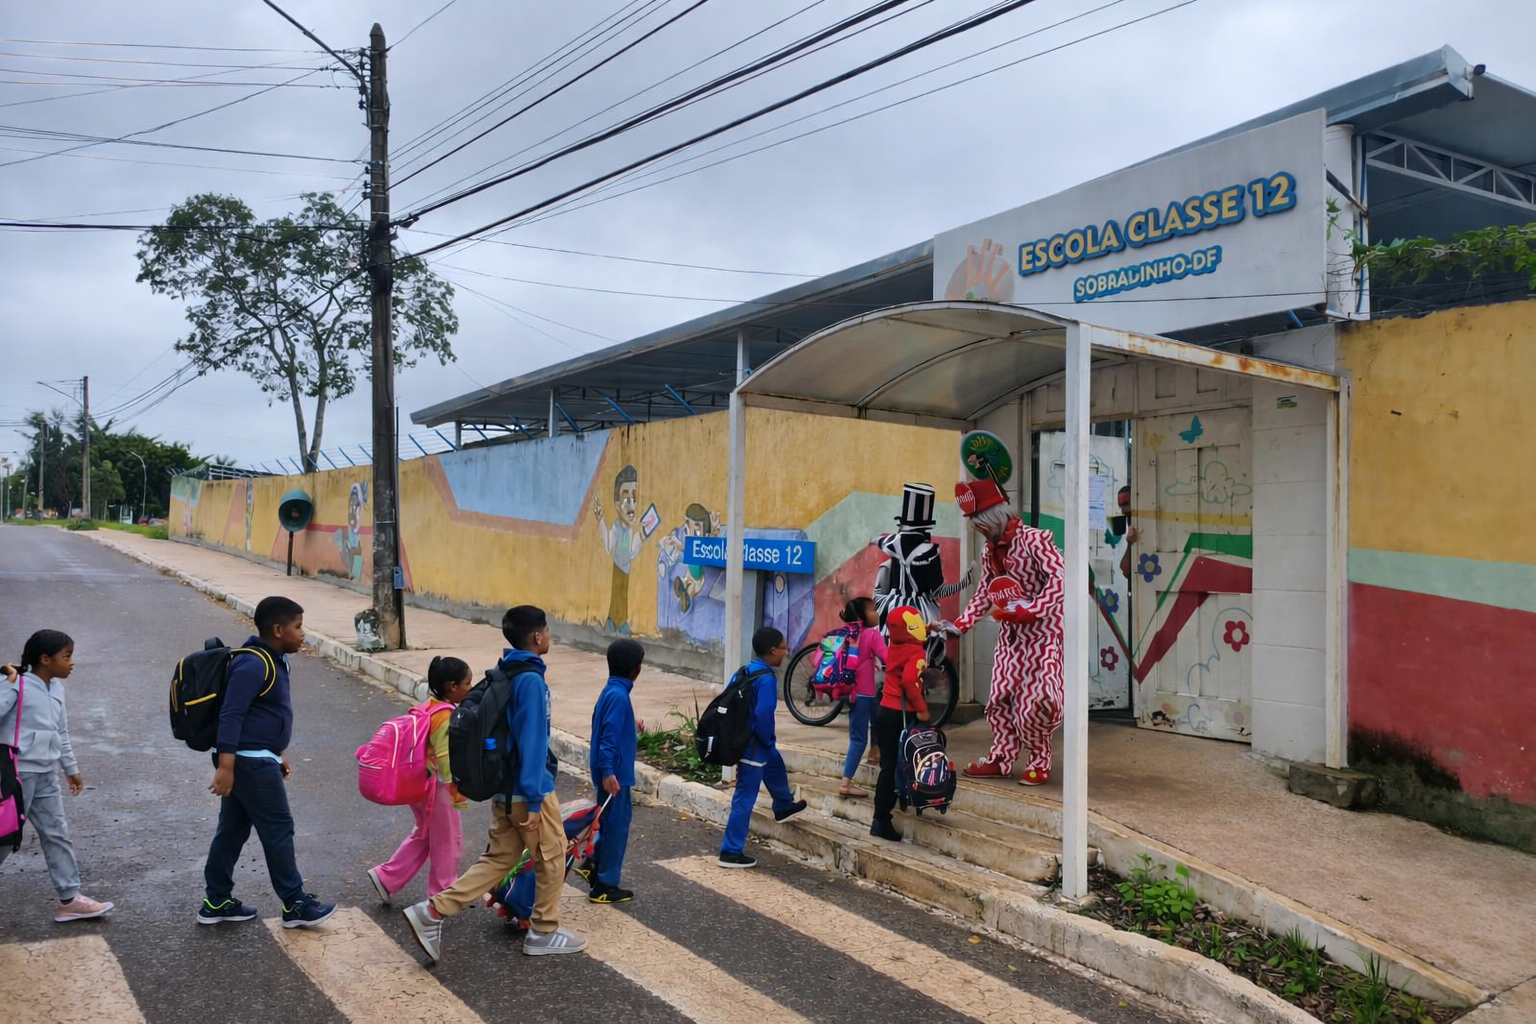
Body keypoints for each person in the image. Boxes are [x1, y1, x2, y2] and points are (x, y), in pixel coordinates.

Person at [404, 606, 587, 961]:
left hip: (504, 788)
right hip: (526, 789)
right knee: (552, 855)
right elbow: (532, 743)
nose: (548, 637)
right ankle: (543, 931)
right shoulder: (531, 680)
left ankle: (430, 912)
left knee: (498, 859)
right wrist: (535, 801)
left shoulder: (504, 671)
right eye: (547, 631)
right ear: (537, 636)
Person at [200, 596, 334, 927]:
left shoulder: (272, 660)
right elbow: (232, 714)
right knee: (278, 829)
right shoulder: (254, 664)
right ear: (278, 629)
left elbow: (263, 715)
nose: (303, 633)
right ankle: (294, 903)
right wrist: (226, 767)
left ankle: (216, 901)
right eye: (298, 627)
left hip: (259, 757)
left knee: (232, 830)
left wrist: (279, 753)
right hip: (248, 763)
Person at [941, 479, 1065, 787]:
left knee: (1036, 701)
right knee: (1000, 699)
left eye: (981, 523)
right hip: (1011, 637)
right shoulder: (989, 553)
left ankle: (1039, 758)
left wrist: (1033, 608)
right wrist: (960, 625)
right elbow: (985, 593)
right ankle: (1001, 757)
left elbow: (1061, 580)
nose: (980, 530)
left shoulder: (1036, 541)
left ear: (995, 517)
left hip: (1043, 636)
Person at [0, 630, 114, 922]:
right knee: (4, 835)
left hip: (47, 773)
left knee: (57, 833)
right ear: (45, 659)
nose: (72, 662)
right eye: (67, 656)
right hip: (16, 773)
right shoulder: (17, 684)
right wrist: (6, 684)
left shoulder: (56, 689)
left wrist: (70, 769)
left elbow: (60, 732)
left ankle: (69, 899)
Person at [367, 656, 474, 904]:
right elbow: (446, 758)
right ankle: (442, 896)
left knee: (425, 834)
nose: (470, 687)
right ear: (452, 686)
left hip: (418, 783)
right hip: (438, 788)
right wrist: (456, 790)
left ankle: (386, 878)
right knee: (448, 840)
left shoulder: (427, 707)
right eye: (467, 683)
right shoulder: (445, 716)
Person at [717, 627, 806, 868]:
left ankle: (783, 804)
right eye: (784, 648)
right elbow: (763, 714)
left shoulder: (746, 670)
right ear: (772, 650)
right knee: (745, 796)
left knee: (774, 763)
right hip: (754, 744)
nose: (786, 652)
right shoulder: (766, 679)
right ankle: (731, 851)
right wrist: (766, 739)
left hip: (746, 739)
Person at [579, 638, 643, 904]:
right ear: (636, 669)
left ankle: (591, 863)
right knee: (617, 827)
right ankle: (605, 885)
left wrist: (632, 729)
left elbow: (607, 728)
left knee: (605, 821)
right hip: (615, 776)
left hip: (610, 772)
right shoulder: (618, 696)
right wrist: (608, 772)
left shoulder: (611, 690)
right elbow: (607, 737)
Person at [872, 482, 976, 631]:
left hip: (891, 610)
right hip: (920, 613)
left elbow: (876, 540)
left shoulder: (892, 542)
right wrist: (965, 582)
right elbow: (939, 591)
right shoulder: (928, 552)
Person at [869, 607, 931, 842]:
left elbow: (907, 631)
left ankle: (884, 813)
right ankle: (882, 819)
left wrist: (928, 629)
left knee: (889, 764)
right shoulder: (916, 652)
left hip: (884, 710)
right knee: (900, 764)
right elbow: (909, 681)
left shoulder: (896, 643)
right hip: (902, 714)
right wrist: (923, 709)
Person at [835, 597, 887, 798]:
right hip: (862, 694)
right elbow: (888, 657)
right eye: (873, 610)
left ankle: (875, 751)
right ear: (861, 616)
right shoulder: (872, 635)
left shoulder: (847, 634)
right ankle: (846, 783)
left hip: (852, 693)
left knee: (877, 716)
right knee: (858, 739)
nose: (877, 613)